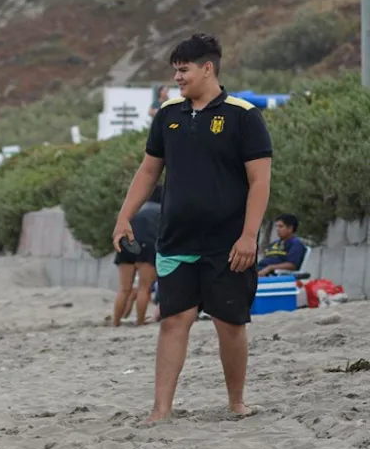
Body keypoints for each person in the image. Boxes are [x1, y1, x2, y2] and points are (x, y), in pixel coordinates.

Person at [113, 33, 272, 424]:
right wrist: (124, 216)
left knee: (230, 323)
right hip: (177, 241)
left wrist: (249, 235)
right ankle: (160, 410)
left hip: (228, 243)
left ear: (207, 68)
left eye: (183, 70)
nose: (178, 78)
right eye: (175, 72)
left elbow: (260, 181)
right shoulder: (168, 115)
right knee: (173, 321)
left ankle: (236, 402)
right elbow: (149, 170)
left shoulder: (243, 115)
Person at [112, 186, 161, 327]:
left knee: (124, 288)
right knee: (144, 288)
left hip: (126, 242)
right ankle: (139, 322)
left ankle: (116, 323)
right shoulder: (161, 211)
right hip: (147, 246)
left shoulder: (135, 208)